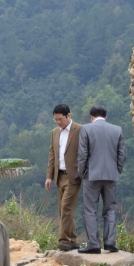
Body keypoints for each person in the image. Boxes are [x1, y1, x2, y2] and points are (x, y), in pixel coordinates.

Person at [76, 106, 126, 254]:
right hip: (111, 175)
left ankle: (93, 244)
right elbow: (122, 155)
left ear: (91, 117)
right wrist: (116, 170)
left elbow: (82, 154)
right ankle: (110, 242)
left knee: (90, 210)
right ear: (106, 116)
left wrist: (81, 173)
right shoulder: (117, 130)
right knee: (110, 208)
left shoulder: (86, 129)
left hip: (91, 175)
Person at [45, 104, 82, 251]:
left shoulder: (79, 130)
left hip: (73, 176)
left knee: (66, 207)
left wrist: (84, 174)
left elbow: (84, 153)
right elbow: (52, 155)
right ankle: (72, 240)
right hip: (58, 175)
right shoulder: (55, 132)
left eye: (60, 119)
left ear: (69, 116)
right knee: (62, 210)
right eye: (56, 120)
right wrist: (49, 176)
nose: (58, 122)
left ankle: (63, 240)